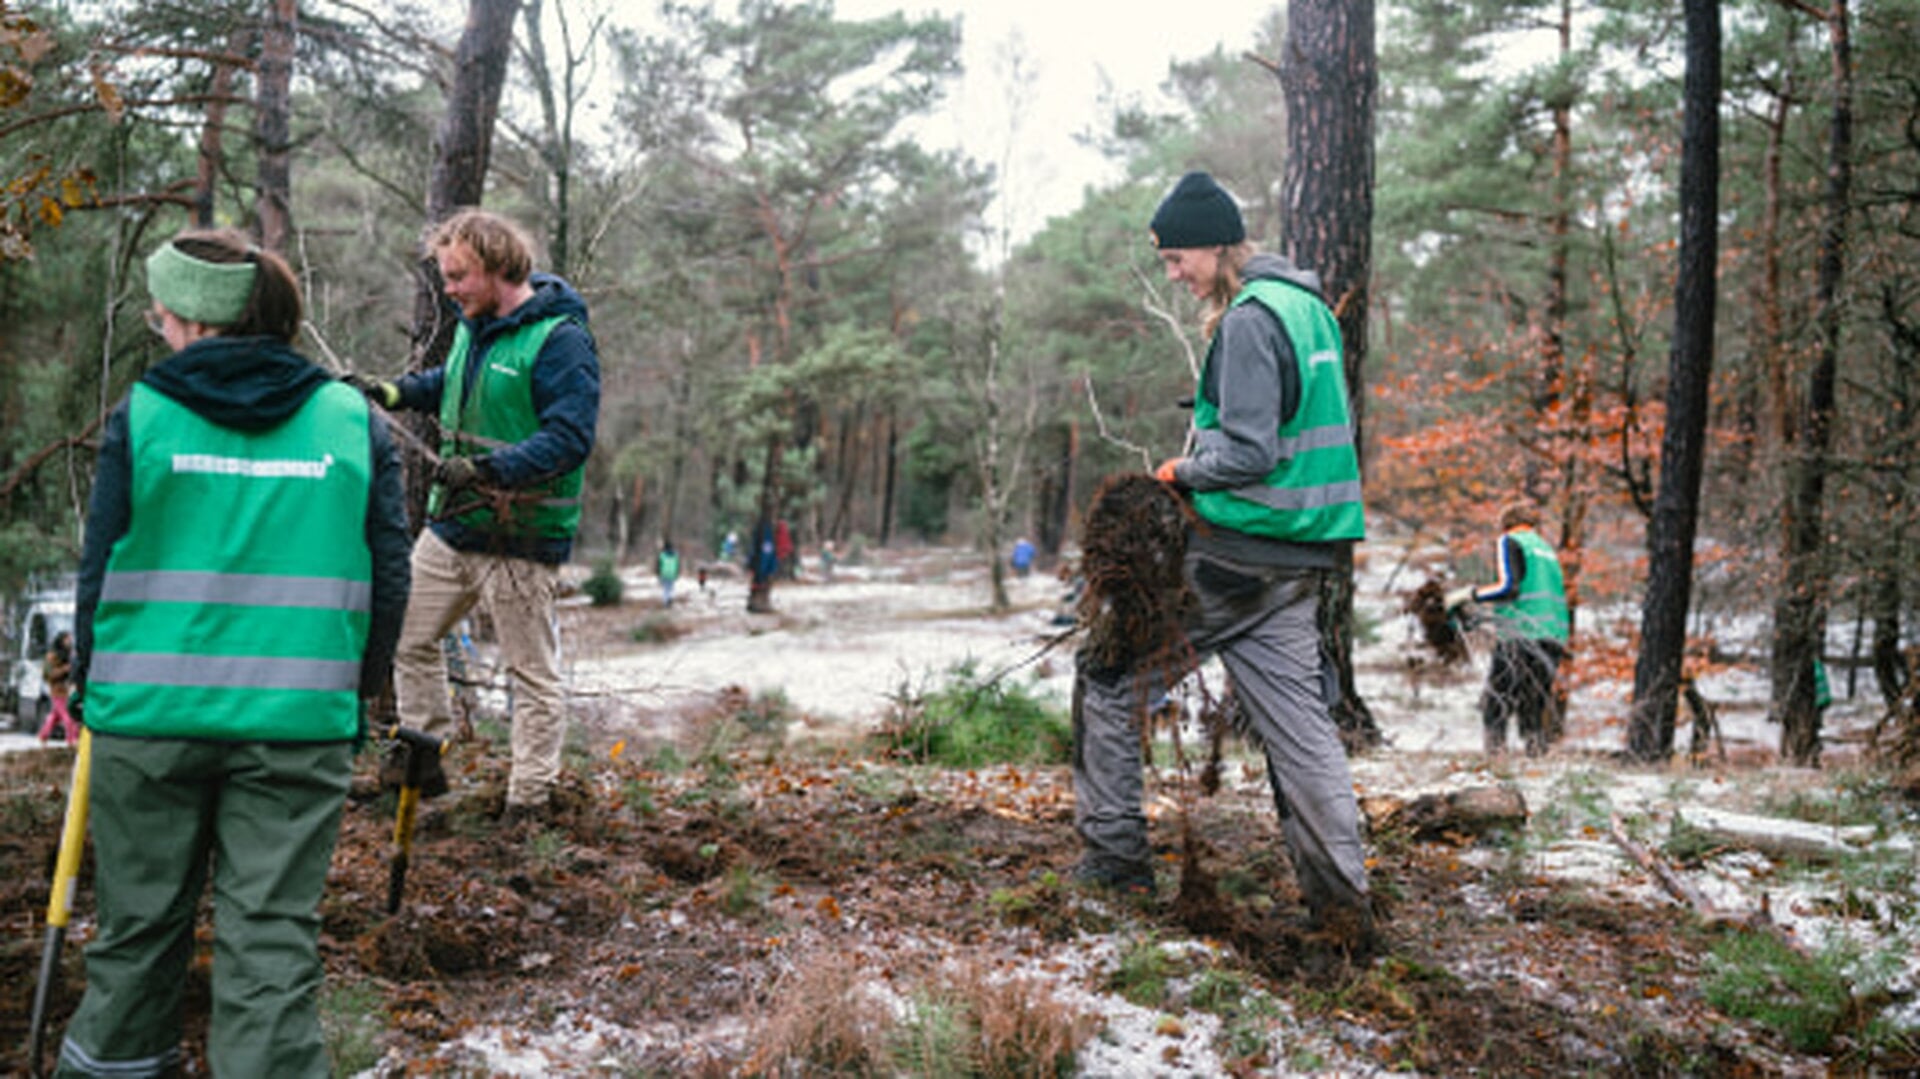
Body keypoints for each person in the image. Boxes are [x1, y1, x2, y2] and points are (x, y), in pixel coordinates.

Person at [60, 228, 411, 1077]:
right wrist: (357, 692)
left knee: (138, 927)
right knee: (273, 937)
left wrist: (90, 688)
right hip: (299, 722)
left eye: (161, 314)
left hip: (146, 722)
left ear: (192, 318)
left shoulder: (143, 415)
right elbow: (390, 576)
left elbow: (99, 569)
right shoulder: (353, 422)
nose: (160, 327)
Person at [1073, 171, 1374, 951]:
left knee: (1107, 676)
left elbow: (1249, 452)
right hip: (1301, 559)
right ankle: (1343, 907)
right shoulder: (1308, 309)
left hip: (1237, 555)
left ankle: (1114, 865)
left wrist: (1181, 471)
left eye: (1178, 259)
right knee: (1302, 732)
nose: (1175, 275)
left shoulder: (1246, 322)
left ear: (1215, 246)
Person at [348, 209, 600, 823]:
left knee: (530, 675)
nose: (450, 289)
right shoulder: (475, 326)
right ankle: (424, 761)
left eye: (459, 276)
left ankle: (528, 801)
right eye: (446, 276)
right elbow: (453, 381)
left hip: (521, 537)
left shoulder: (560, 340)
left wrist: (489, 470)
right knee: (405, 636)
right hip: (454, 529)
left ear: (496, 267)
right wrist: (393, 392)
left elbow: (570, 438)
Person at [1446, 501, 1570, 757]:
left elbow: (1508, 588)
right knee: (1532, 708)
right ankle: (1536, 761)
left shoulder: (1510, 541)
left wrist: (1468, 595)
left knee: (1496, 704)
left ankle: (1495, 762)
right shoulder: (1546, 550)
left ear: (1505, 524)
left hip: (1520, 634)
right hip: (1553, 636)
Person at [37, 629, 78, 743]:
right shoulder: (52, 655)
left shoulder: (69, 654)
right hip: (57, 690)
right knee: (68, 716)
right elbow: (49, 674)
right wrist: (64, 669)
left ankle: (43, 735)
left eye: (70, 639)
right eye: (67, 639)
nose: (69, 642)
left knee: (55, 716)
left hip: (66, 689)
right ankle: (71, 739)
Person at [656, 540, 681, 608]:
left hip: (664, 574)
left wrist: (658, 574)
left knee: (665, 588)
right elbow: (677, 565)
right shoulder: (675, 555)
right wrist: (677, 573)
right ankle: (670, 598)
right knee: (671, 588)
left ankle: (666, 602)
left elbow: (659, 565)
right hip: (672, 574)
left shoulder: (662, 555)